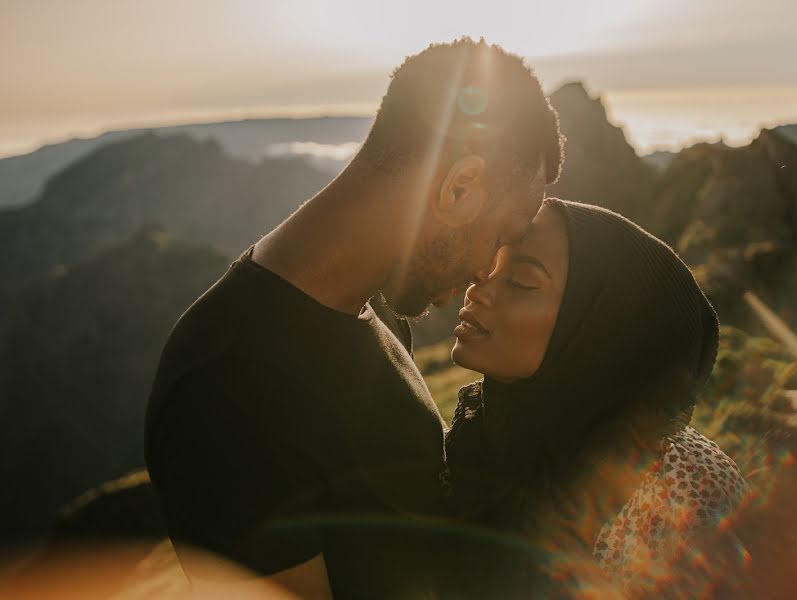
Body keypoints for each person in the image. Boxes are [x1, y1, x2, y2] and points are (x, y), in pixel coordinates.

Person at [144, 38, 564, 600]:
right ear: (459, 187)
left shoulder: (377, 310)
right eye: (501, 236)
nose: (487, 271)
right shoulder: (228, 387)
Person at [446, 198, 748, 598]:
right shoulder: (490, 434)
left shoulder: (678, 496)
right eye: (489, 267)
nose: (477, 289)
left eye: (520, 281)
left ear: (600, 329)